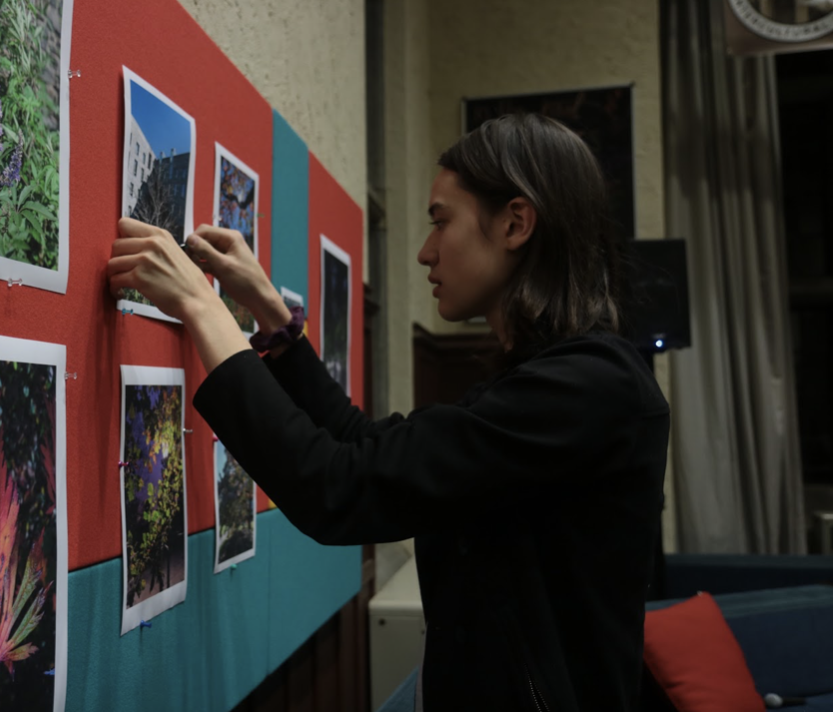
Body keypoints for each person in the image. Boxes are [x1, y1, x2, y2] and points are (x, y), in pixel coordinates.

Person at [106, 113, 669, 711]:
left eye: (441, 221)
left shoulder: (587, 390)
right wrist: (274, 318)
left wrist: (200, 304)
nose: (426, 252)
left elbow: (338, 487)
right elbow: (366, 446)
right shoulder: (552, 383)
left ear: (515, 223)